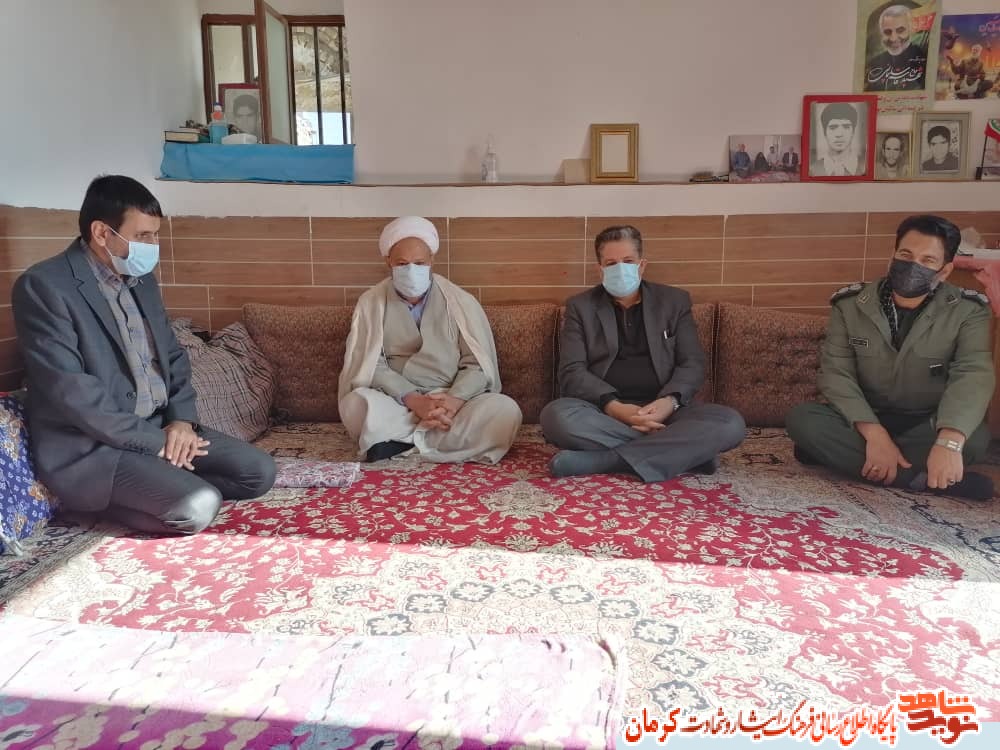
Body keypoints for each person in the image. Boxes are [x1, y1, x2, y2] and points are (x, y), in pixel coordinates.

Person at [11, 175, 276, 534]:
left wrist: (181, 422)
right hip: (93, 448)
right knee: (198, 506)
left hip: (158, 425)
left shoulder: (142, 281)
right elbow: (73, 393)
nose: (153, 245)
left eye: (155, 235)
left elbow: (173, 356)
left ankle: (162, 483)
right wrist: (158, 443)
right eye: (142, 236)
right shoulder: (44, 286)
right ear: (101, 233)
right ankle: (111, 501)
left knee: (257, 472)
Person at [786, 215, 995, 501]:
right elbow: (835, 374)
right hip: (865, 418)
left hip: (926, 422)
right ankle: (921, 480)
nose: (913, 266)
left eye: (927, 260)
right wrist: (875, 435)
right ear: (893, 254)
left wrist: (948, 442)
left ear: (945, 270)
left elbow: (973, 375)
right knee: (803, 420)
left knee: (974, 439)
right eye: (905, 255)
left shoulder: (968, 311)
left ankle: (847, 457)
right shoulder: (850, 304)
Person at [539, 225, 745, 482]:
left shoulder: (674, 301)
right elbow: (572, 371)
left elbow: (692, 363)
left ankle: (607, 460)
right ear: (600, 269)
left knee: (730, 423)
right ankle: (686, 452)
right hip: (604, 412)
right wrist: (616, 409)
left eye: (628, 261)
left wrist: (669, 402)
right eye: (611, 263)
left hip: (667, 412)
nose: (620, 269)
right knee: (556, 416)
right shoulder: (580, 307)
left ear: (642, 265)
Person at [338, 216, 522, 464]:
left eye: (419, 263)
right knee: (354, 404)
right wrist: (413, 399)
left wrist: (453, 401)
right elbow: (370, 364)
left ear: (432, 260)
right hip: (397, 403)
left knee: (505, 410)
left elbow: (477, 363)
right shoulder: (371, 303)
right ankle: (438, 442)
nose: (411, 270)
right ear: (388, 261)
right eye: (402, 263)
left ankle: (401, 443)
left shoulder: (461, 301)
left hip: (452, 400)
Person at [864, 5, 928, 92]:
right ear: (881, 34)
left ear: (911, 29)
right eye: (887, 32)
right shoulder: (873, 65)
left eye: (900, 30)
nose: (893, 38)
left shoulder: (924, 60)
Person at [810, 103, 863, 177]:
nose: (839, 134)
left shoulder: (865, 167)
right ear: (824, 132)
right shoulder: (812, 170)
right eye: (833, 128)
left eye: (846, 127)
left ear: (853, 131)